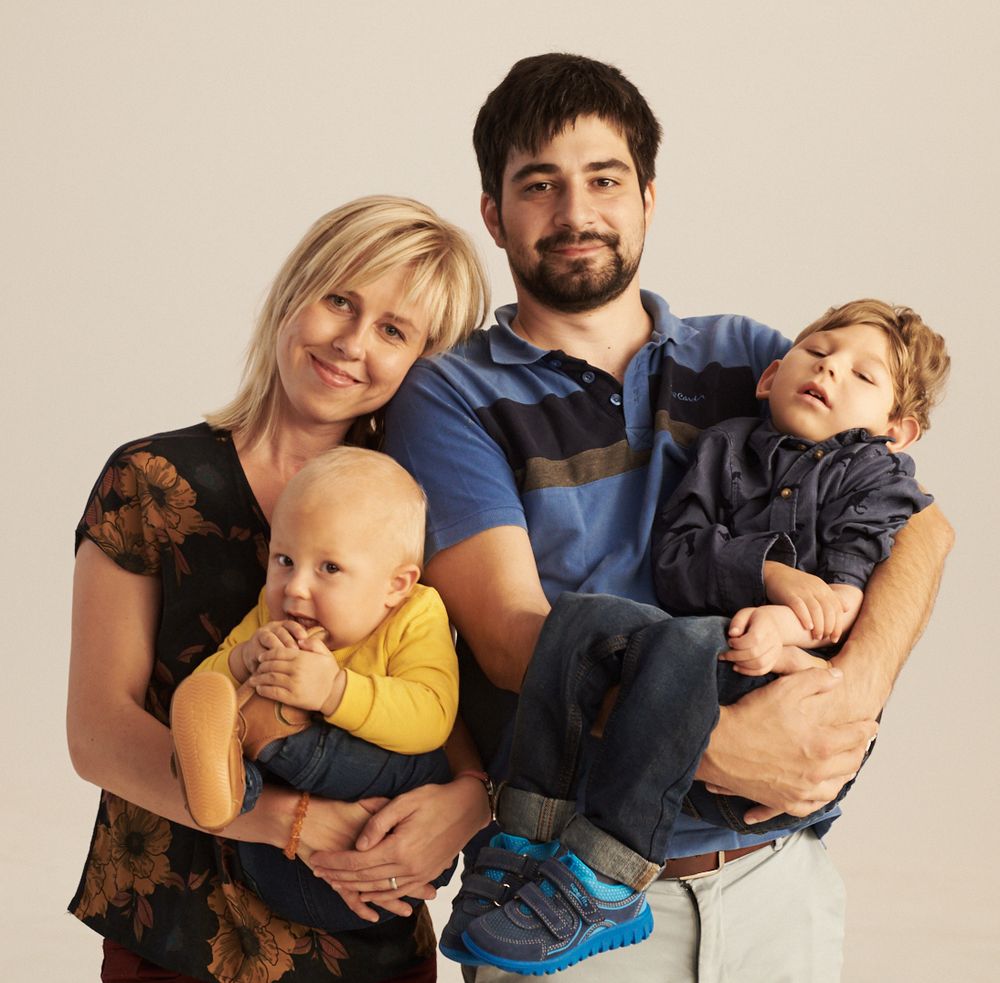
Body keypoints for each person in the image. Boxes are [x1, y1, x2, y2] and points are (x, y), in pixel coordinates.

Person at [373, 55, 953, 982]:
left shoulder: (752, 358)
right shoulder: (451, 395)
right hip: (560, 893)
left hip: (774, 878)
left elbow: (918, 526)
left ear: (648, 197)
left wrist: (854, 690)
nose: (576, 212)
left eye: (604, 179)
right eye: (539, 185)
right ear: (494, 213)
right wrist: (718, 746)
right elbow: (514, 638)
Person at [448, 300, 949, 974]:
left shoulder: (875, 479)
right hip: (702, 645)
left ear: (897, 431)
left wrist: (791, 627)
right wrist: (766, 573)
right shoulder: (725, 446)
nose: (830, 370)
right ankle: (527, 833)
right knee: (578, 620)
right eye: (819, 352)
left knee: (686, 642)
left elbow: (850, 590)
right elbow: (678, 557)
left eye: (863, 376)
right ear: (770, 375)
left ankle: (611, 872)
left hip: (781, 682)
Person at [66, 195, 491, 982]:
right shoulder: (153, 479)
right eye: (340, 300)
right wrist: (285, 820)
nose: (351, 343)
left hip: (367, 940)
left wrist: (472, 797)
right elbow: (96, 732)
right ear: (295, 291)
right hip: (178, 928)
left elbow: (438, 685)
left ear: (424, 363)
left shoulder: (420, 509)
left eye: (393, 331)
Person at [169, 446, 459, 931]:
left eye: (329, 568)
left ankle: (261, 736)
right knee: (224, 723)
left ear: (396, 585)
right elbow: (204, 697)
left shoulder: (415, 614)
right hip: (283, 869)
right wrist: (242, 659)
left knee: (426, 761)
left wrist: (334, 691)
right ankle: (234, 778)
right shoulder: (272, 618)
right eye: (284, 560)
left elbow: (432, 718)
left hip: (391, 839)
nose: (295, 588)